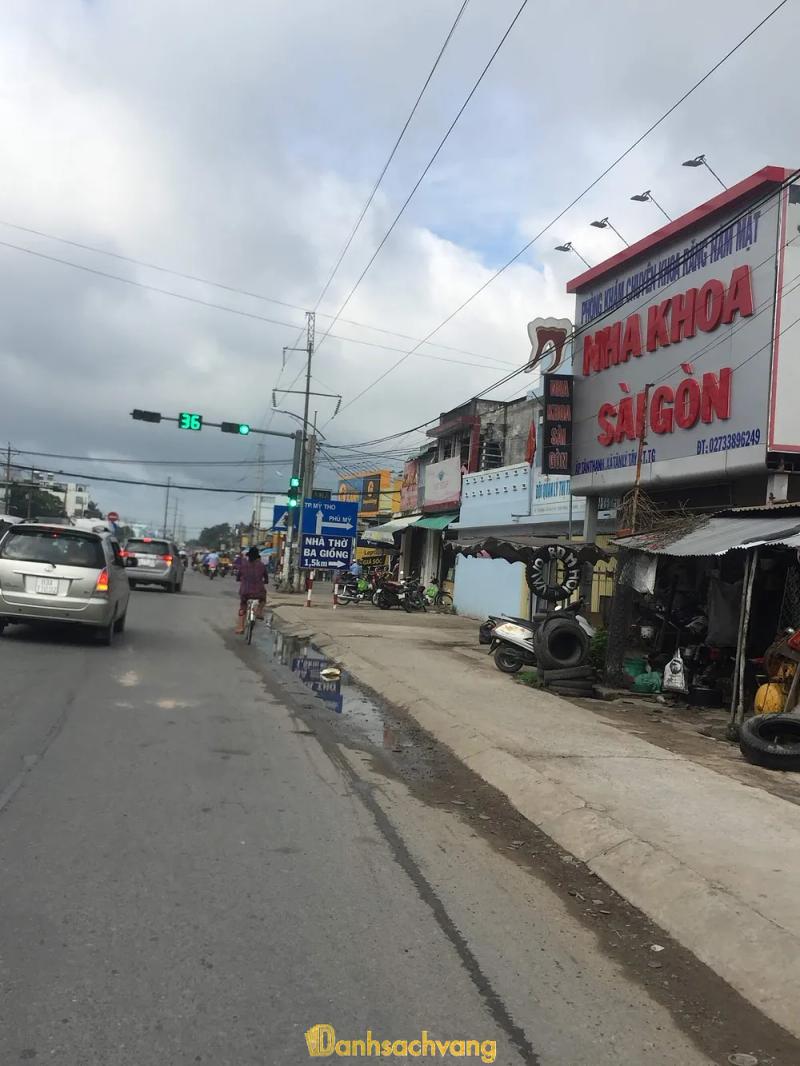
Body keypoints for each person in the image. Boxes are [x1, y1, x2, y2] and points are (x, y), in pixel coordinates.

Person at [235, 546, 268, 633]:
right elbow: (266, 578)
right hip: (259, 592)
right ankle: (259, 612)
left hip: (245, 592)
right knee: (263, 599)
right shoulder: (262, 566)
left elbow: (238, 577)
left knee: (243, 606)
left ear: (248, 556)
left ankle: (241, 627)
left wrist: (239, 579)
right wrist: (265, 581)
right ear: (258, 557)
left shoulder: (243, 565)